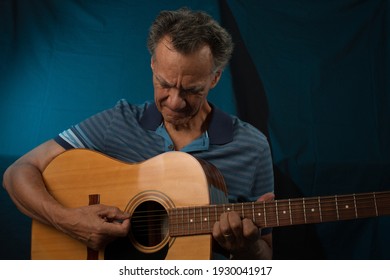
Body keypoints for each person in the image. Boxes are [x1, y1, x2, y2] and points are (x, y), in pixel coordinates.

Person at [3, 8, 274, 260]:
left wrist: (248, 245)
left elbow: (266, 256)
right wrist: (69, 221)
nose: (175, 102)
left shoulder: (253, 146)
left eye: (192, 90)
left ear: (214, 78)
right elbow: (18, 172)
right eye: (165, 84)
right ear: (154, 65)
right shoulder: (117, 122)